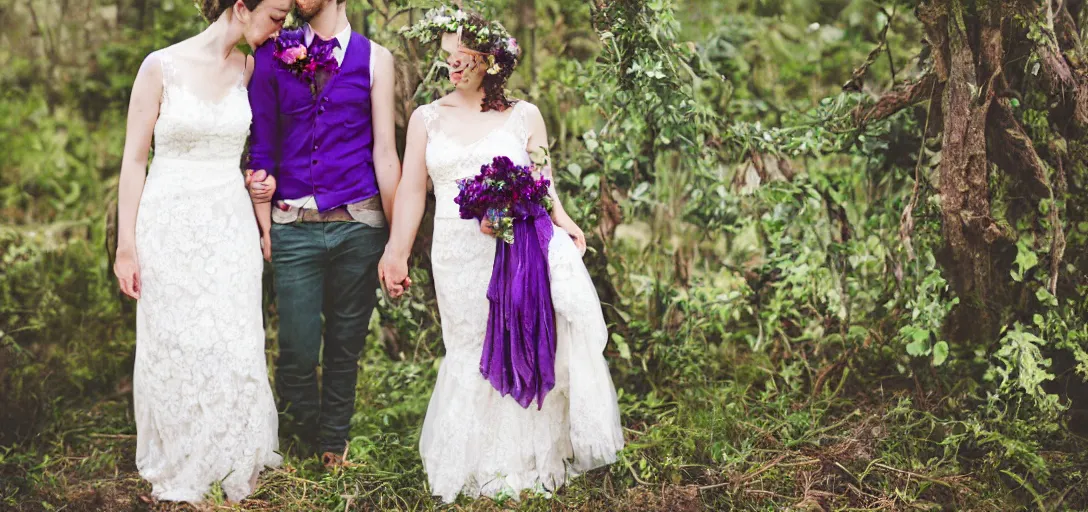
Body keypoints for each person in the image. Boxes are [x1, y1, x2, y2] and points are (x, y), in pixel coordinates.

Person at [381, 7, 624, 502]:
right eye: (448, 56)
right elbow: (411, 190)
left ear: (491, 61)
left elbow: (542, 182)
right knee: (469, 348)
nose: (452, 65)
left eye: (464, 57)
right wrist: (397, 251)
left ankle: (526, 461)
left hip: (514, 248)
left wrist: (563, 219)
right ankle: (468, 463)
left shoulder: (524, 115)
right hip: (455, 250)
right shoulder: (427, 118)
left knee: (519, 338)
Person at [112, 0, 291, 503]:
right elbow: (133, 160)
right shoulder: (160, 66)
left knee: (231, 336)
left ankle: (230, 451)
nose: (280, 27)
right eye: (275, 15)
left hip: (228, 223)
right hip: (169, 222)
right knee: (176, 339)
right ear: (241, 7)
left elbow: (257, 147)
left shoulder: (251, 66)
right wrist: (127, 245)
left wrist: (261, 186)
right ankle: (182, 453)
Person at [244, 0, 401, 468]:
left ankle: (333, 445)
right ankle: (303, 436)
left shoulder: (377, 59)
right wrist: (261, 207)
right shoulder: (274, 54)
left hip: (360, 224)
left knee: (344, 346)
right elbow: (262, 144)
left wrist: (396, 243)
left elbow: (386, 155)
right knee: (295, 348)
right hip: (293, 226)